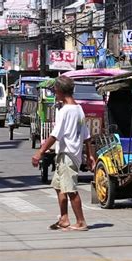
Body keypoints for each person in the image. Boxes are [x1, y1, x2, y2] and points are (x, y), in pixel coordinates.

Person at [32, 76, 95, 231]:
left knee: (70, 190)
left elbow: (55, 135)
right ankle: (64, 218)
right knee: (59, 186)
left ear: (59, 91)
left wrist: (40, 152)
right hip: (68, 155)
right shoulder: (78, 108)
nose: (54, 93)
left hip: (68, 155)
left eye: (55, 90)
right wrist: (90, 155)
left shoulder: (65, 111)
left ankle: (81, 222)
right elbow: (86, 136)